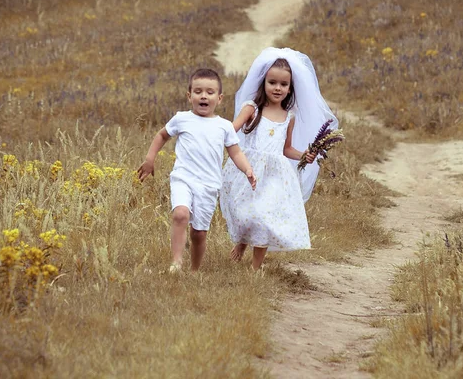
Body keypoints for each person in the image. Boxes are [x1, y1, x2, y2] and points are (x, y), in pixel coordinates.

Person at [220, 47, 337, 270]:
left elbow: (286, 149)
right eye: (272, 82)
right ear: (263, 83)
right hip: (250, 169)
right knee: (247, 213)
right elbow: (231, 131)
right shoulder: (252, 109)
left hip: (275, 174)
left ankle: (256, 268)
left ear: (290, 88)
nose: (277, 88)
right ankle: (243, 242)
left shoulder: (288, 117)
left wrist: (305, 155)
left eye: (283, 84)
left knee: (266, 216)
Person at [138, 68, 257, 272]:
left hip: (209, 185)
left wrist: (247, 170)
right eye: (198, 91)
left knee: (199, 233)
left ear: (219, 99)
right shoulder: (182, 119)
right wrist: (150, 159)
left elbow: (236, 153)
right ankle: (176, 262)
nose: (203, 96)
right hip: (183, 178)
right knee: (180, 214)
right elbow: (161, 136)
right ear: (189, 95)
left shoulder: (224, 126)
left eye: (210, 92)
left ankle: (194, 271)